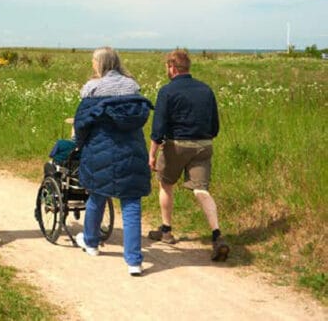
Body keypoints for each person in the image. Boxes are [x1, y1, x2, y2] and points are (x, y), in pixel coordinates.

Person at [73, 47, 152, 276]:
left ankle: (91, 242)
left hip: (101, 151)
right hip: (132, 151)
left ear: (99, 64)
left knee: (97, 195)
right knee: (131, 205)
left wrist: (80, 144)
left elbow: (81, 124)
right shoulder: (133, 87)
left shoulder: (92, 89)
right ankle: (134, 261)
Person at [148, 49, 229, 262]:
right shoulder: (206, 89)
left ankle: (166, 231)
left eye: (167, 67)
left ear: (172, 68)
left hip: (176, 145)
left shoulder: (167, 91)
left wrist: (152, 155)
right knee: (201, 190)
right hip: (204, 145)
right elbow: (214, 126)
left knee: (166, 184)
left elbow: (158, 128)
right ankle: (217, 234)